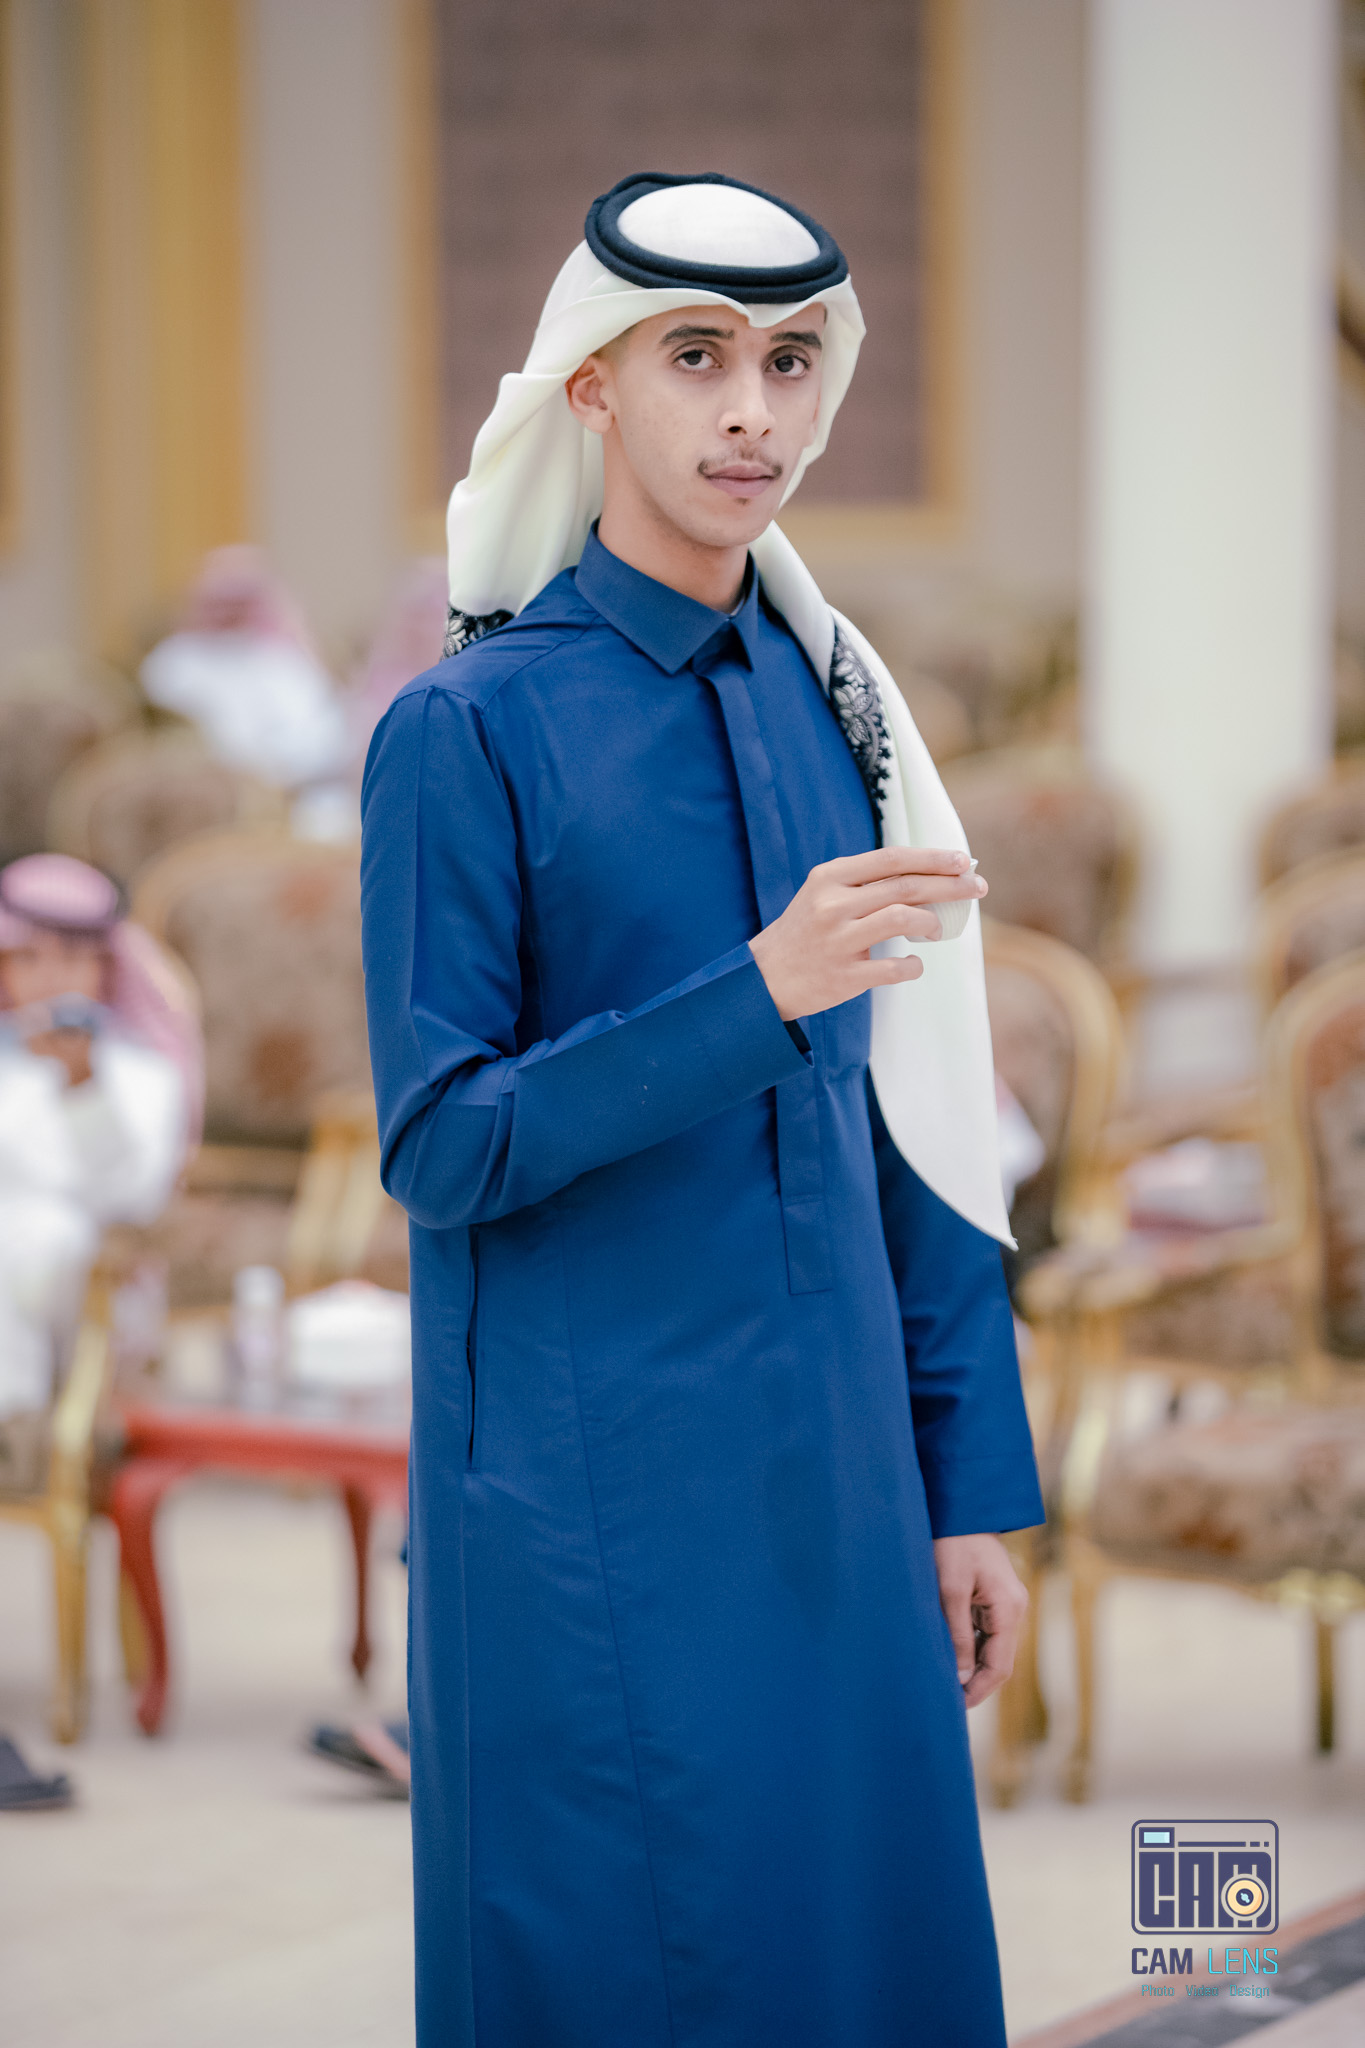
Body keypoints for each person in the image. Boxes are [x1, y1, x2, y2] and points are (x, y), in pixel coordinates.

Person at [361, 172, 1044, 2047]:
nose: (754, 413)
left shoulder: (849, 720)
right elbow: (441, 1143)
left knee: (864, 1965)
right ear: (592, 384)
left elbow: (920, 1130)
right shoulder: (466, 731)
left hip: (840, 1476)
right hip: (587, 1494)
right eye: (697, 359)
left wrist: (968, 1493)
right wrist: (756, 992)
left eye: (790, 363)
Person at [0, 854, 200, 1454]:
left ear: (105, 967)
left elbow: (133, 1199)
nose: (48, 978)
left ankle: (18, 1428)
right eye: (27, 958)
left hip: (86, 1285)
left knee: (42, 1235)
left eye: (69, 958)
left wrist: (82, 1084)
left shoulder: (140, 1071)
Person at [140, 545, 350, 792]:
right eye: (220, 603)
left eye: (240, 603)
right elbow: (175, 733)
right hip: (206, 790)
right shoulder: (174, 660)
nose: (229, 614)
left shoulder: (284, 655)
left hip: (296, 785)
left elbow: (323, 730)